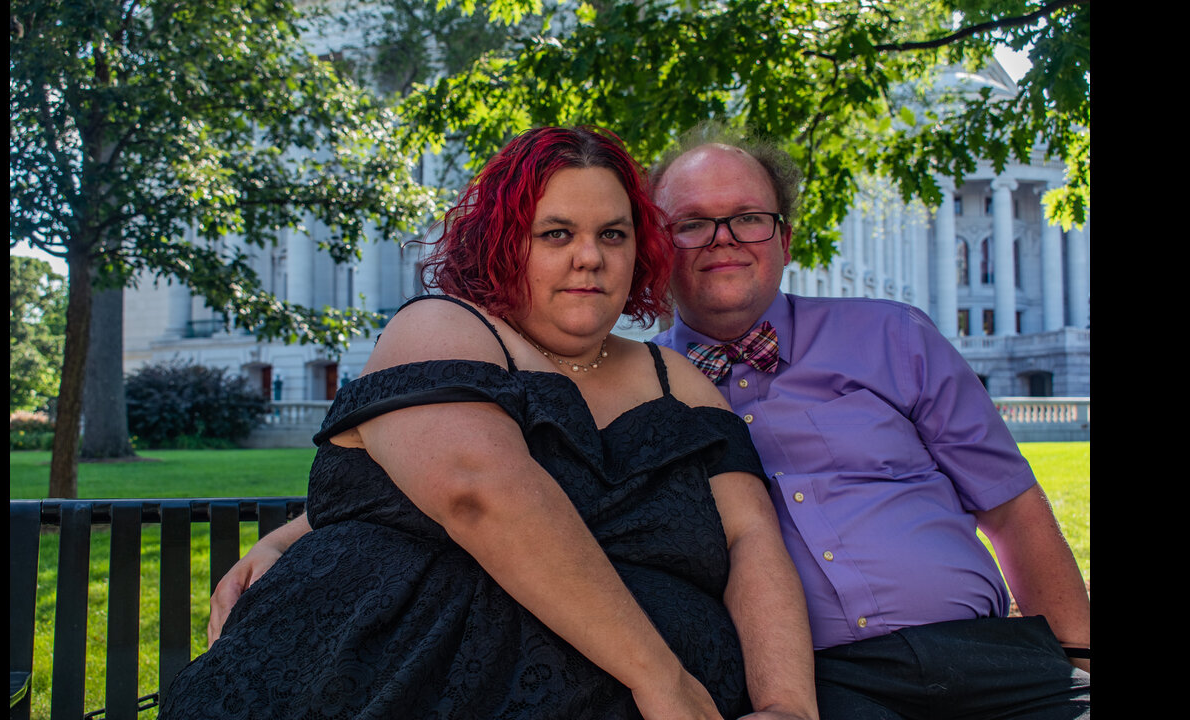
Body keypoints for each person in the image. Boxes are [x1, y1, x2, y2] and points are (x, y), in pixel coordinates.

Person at [166, 126, 818, 720]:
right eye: (556, 233)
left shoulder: (680, 379)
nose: (589, 257)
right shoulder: (443, 328)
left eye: (612, 234)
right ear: (505, 243)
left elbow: (751, 540)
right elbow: (481, 495)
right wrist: (663, 682)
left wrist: (787, 706)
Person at [647, 123, 1090, 719]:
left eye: (749, 217)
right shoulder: (640, 391)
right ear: (656, 245)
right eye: (692, 223)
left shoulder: (892, 335)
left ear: (786, 238)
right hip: (820, 686)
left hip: (988, 658)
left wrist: (1081, 658)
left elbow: (1013, 508)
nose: (723, 239)